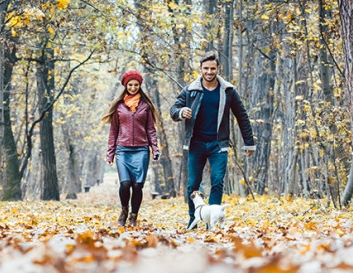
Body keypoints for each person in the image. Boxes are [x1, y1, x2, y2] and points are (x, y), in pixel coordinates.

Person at [170, 51, 256, 228]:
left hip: (219, 144)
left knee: (217, 181)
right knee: (193, 183)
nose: (209, 72)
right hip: (196, 143)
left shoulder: (228, 91)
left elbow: (242, 116)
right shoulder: (190, 90)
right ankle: (193, 219)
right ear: (200, 69)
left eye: (213, 68)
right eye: (206, 68)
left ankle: (212, 222)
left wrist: (249, 142)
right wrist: (180, 112)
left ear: (219, 69)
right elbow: (174, 109)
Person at [102, 69, 160, 227]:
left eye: (136, 85)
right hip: (123, 150)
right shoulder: (119, 107)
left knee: (137, 185)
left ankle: (134, 216)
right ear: (125, 86)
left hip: (141, 150)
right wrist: (110, 153)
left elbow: (150, 130)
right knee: (125, 184)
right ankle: (124, 210)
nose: (133, 88)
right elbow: (113, 131)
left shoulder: (146, 106)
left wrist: (155, 149)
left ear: (140, 85)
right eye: (130, 85)